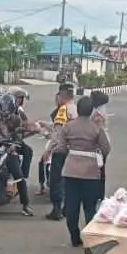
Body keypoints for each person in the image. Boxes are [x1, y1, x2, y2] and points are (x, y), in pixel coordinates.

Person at [53, 96, 111, 247]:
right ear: (91, 110)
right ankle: (90, 239)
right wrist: (95, 155)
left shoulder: (68, 127)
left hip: (71, 172)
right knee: (90, 207)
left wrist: (71, 154)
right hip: (91, 173)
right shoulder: (96, 128)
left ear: (77, 110)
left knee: (72, 207)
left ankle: (74, 236)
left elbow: (60, 148)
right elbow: (106, 148)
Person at [42, 82, 77, 220]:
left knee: (56, 180)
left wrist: (48, 150)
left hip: (61, 151)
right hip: (74, 151)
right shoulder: (75, 109)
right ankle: (67, 209)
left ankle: (56, 210)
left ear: (61, 95)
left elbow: (58, 133)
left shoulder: (63, 109)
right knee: (69, 181)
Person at [37, 91, 62, 195]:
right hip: (59, 141)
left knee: (43, 160)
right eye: (56, 99)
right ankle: (42, 185)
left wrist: (47, 132)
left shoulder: (62, 111)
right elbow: (53, 126)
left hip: (58, 143)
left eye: (58, 99)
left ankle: (42, 187)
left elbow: (56, 130)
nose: (56, 101)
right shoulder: (64, 110)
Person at [89, 90, 110, 199]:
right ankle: (98, 193)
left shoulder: (98, 114)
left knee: (98, 169)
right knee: (99, 169)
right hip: (103, 144)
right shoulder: (100, 110)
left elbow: (95, 130)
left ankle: (98, 194)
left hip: (99, 146)